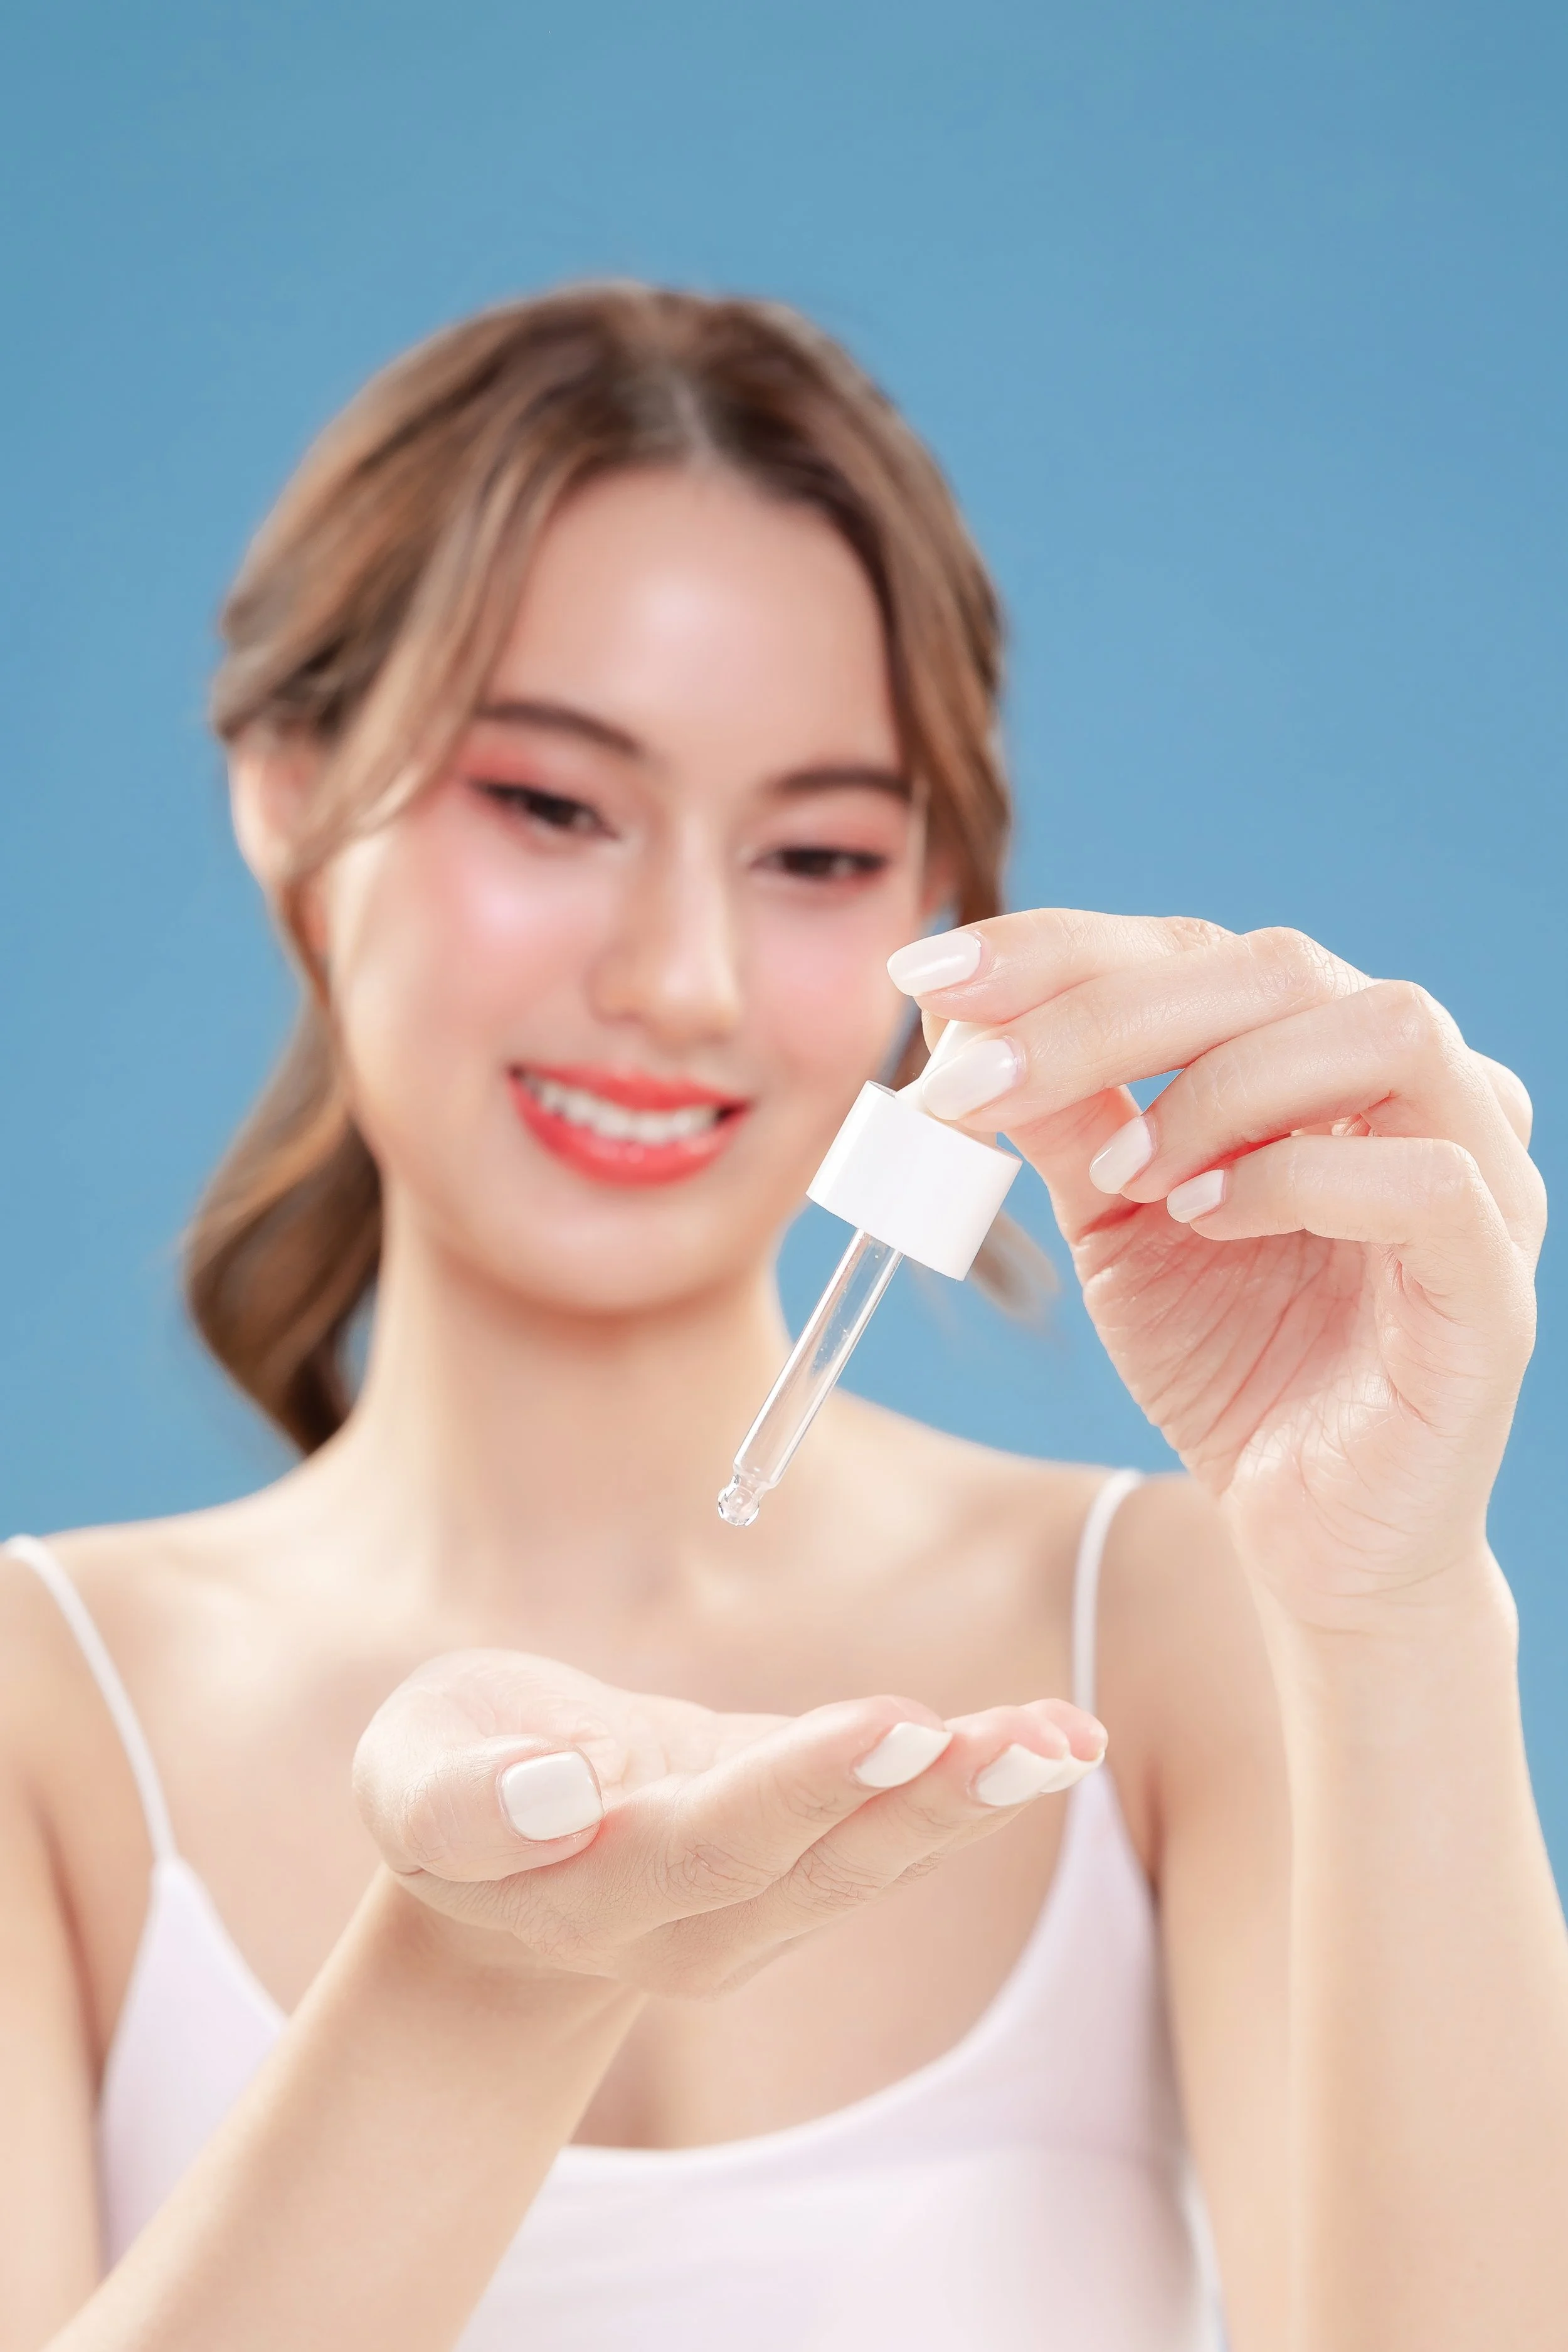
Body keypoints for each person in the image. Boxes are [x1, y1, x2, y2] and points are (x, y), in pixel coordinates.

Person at [1, 283, 1564, 2352]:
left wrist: (1393, 1611)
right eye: (551, 805)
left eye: (816, 853)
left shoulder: (1173, 1633)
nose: (684, 979)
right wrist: (479, 1982)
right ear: (290, 790)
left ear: (938, 900)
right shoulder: (42, 1712)